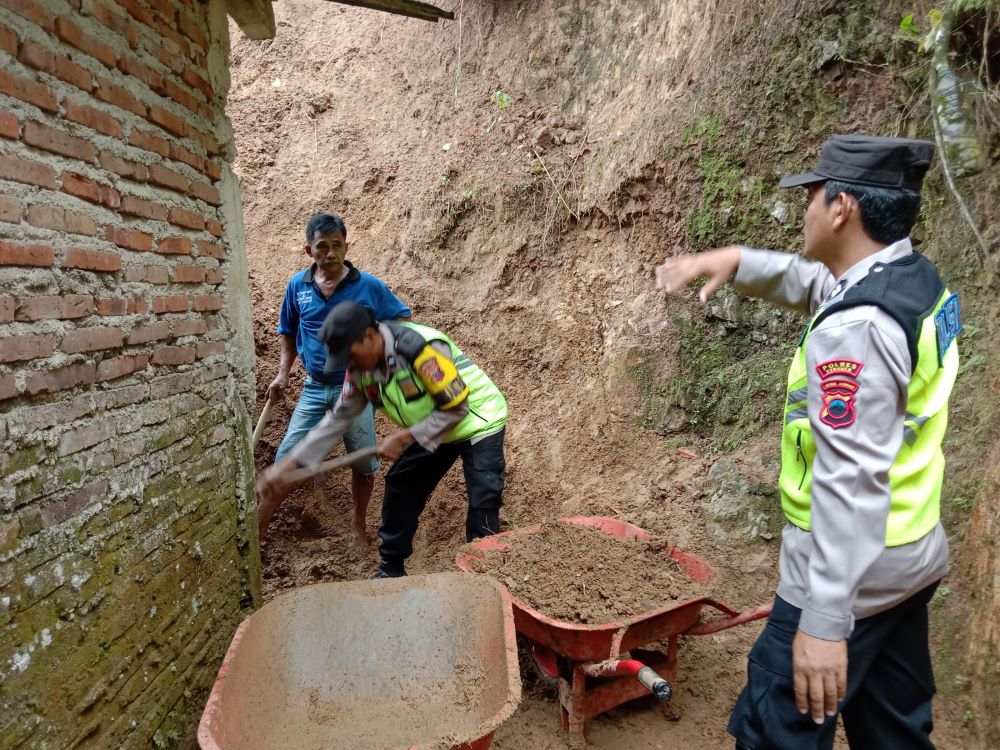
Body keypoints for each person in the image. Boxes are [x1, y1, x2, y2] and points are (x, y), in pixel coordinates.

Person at [656, 135, 960, 749]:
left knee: (774, 730)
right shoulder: (909, 279)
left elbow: (849, 479)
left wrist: (823, 625)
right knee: (894, 729)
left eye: (813, 196)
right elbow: (821, 284)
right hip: (910, 553)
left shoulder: (858, 331)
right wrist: (738, 260)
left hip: (849, 572)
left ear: (841, 207)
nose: (806, 209)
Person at [257, 301, 509, 578]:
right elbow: (335, 423)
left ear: (369, 336)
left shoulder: (419, 349)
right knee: (401, 485)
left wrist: (406, 437)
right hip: (434, 426)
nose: (349, 367)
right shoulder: (359, 370)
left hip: (477, 419)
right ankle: (391, 569)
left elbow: (457, 408)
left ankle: (486, 577)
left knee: (483, 500)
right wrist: (288, 465)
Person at [263, 212, 411, 546]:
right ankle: (259, 527)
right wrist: (283, 374)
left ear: (346, 246)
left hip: (356, 389)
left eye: (336, 245)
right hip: (314, 388)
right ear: (308, 250)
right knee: (285, 461)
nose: (330, 253)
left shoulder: (368, 286)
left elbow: (402, 318)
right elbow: (287, 331)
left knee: (363, 463)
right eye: (322, 247)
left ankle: (358, 527)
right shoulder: (297, 286)